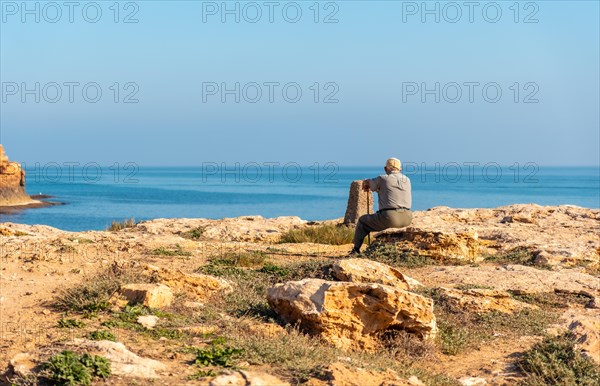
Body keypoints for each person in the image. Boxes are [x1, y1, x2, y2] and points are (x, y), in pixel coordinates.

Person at [349, 157, 412, 255]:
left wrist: (367, 182)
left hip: (390, 217)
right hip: (407, 217)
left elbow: (369, 184)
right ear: (400, 169)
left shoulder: (382, 178)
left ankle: (356, 250)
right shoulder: (407, 180)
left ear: (385, 168)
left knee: (362, 221)